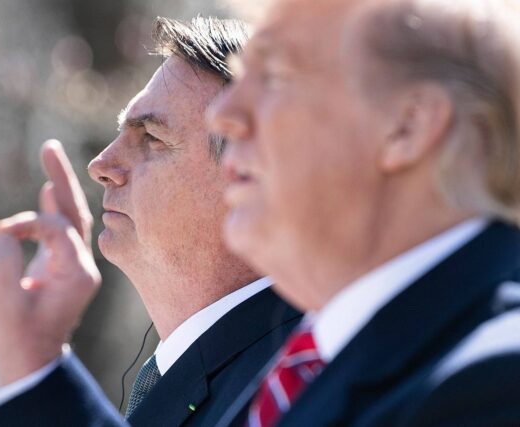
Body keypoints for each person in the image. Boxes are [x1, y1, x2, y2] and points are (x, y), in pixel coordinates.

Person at [0, 16, 301, 427]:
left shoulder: (295, 378)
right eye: (121, 133)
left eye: (151, 137)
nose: (100, 165)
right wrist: (33, 357)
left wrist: (36, 377)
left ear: (249, 176)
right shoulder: (262, 366)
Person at [207, 0, 520, 425]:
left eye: (275, 76)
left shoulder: (492, 384)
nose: (222, 114)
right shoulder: (307, 365)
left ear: (408, 125)